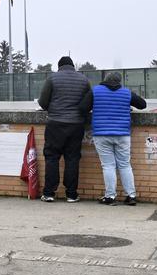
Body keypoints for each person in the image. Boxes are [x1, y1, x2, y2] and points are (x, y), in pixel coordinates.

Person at [80, 71, 146, 205]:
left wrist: (97, 108)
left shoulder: (95, 91)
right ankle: (131, 196)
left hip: (102, 134)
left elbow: (82, 108)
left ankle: (110, 197)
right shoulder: (126, 92)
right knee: (125, 165)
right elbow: (142, 104)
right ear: (119, 81)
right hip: (122, 134)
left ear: (106, 79)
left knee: (108, 166)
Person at [37, 56, 90, 202]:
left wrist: (53, 109)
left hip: (56, 123)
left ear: (59, 66)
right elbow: (88, 102)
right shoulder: (84, 80)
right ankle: (71, 194)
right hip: (76, 124)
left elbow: (43, 102)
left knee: (52, 157)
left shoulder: (52, 79)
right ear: (73, 66)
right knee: (72, 158)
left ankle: (49, 193)